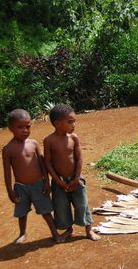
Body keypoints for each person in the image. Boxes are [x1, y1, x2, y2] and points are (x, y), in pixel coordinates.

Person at [2, 109, 62, 244]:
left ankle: (55, 233)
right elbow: (7, 172)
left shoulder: (33, 144)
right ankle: (22, 233)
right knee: (22, 213)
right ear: (11, 128)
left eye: (27, 126)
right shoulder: (8, 149)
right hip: (21, 187)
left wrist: (46, 181)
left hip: (38, 184)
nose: (25, 130)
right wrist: (10, 191)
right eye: (20, 127)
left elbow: (42, 164)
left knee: (46, 211)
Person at [43, 103, 101, 241]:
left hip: (76, 178)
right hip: (59, 181)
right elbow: (48, 162)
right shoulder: (49, 141)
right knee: (62, 206)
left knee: (82, 204)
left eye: (74, 121)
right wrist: (57, 181)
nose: (74, 124)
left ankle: (89, 230)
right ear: (57, 123)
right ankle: (69, 230)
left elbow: (79, 158)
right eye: (70, 122)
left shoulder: (73, 138)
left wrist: (76, 178)